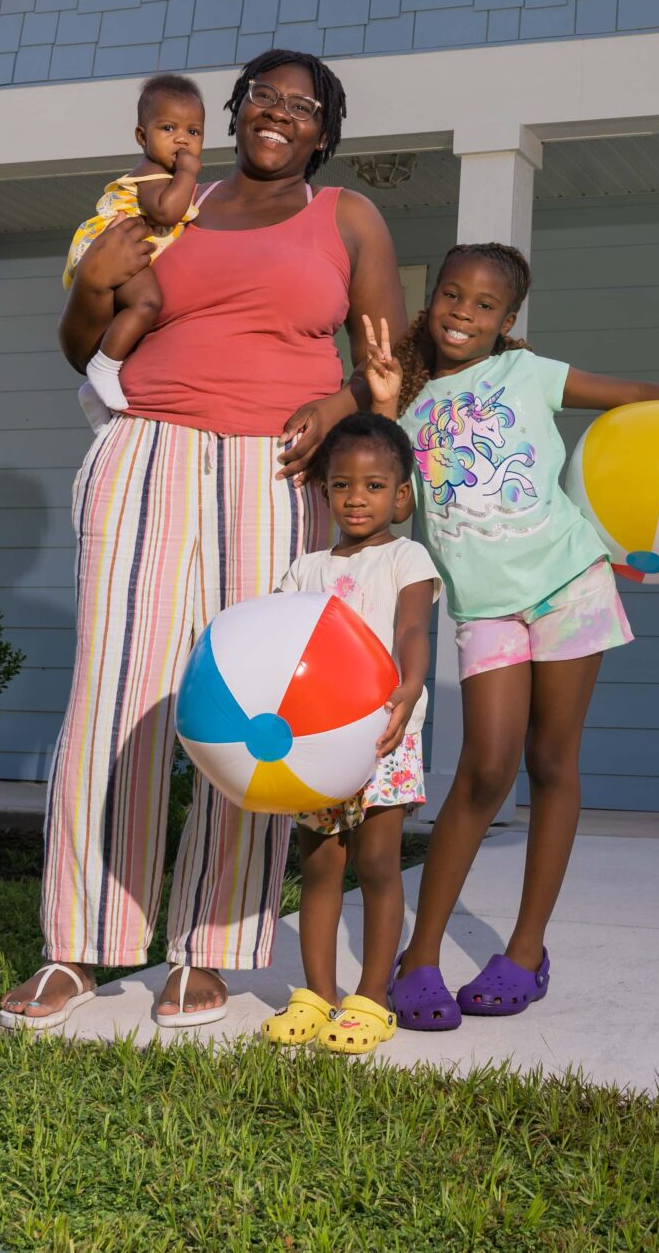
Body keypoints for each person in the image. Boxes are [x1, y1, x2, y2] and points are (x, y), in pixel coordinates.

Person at [0, 49, 404, 1034]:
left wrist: (338, 401)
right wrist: (91, 287)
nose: (279, 114)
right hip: (148, 451)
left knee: (249, 702)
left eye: (302, 107)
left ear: (324, 130)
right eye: (263, 96)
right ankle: (78, 944)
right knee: (113, 695)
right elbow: (84, 343)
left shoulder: (347, 218)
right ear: (235, 110)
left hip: (275, 470)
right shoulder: (164, 205)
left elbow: (392, 361)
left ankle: (211, 947)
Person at [353, 243, 659, 1029]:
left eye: (483, 304)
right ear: (431, 300)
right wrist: (377, 408)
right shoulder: (404, 403)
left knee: (550, 761)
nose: (462, 313)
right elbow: (395, 507)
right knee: (484, 767)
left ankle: (527, 949)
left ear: (508, 321)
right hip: (485, 607)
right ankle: (422, 955)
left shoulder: (529, 372)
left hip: (571, 582)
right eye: (451, 295)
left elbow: (639, 394)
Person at [257, 412, 438, 1055]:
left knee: (378, 863)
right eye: (341, 485)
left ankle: (372, 1000)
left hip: (383, 735)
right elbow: (279, 647)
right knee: (320, 866)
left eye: (373, 485)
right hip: (312, 745)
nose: (356, 498)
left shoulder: (405, 556)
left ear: (401, 495)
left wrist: (410, 685)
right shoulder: (304, 570)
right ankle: (317, 994)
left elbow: (413, 630)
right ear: (324, 491)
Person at [63, 73, 207, 427]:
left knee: (137, 316)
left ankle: (94, 392)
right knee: (147, 303)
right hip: (116, 244)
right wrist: (188, 174)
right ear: (142, 136)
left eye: (193, 132)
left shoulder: (165, 176)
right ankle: (104, 366)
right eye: (168, 128)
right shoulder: (153, 174)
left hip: (133, 249)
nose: (182, 140)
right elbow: (166, 212)